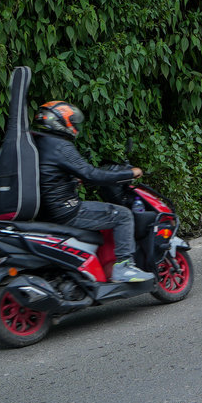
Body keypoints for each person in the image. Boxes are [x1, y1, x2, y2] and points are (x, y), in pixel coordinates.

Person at [30, 101, 150, 283]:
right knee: (123, 215)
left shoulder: (38, 142)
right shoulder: (60, 145)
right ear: (59, 122)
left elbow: (49, 174)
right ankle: (124, 267)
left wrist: (72, 180)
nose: (74, 126)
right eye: (72, 122)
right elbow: (91, 174)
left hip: (46, 212)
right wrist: (128, 173)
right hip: (66, 210)